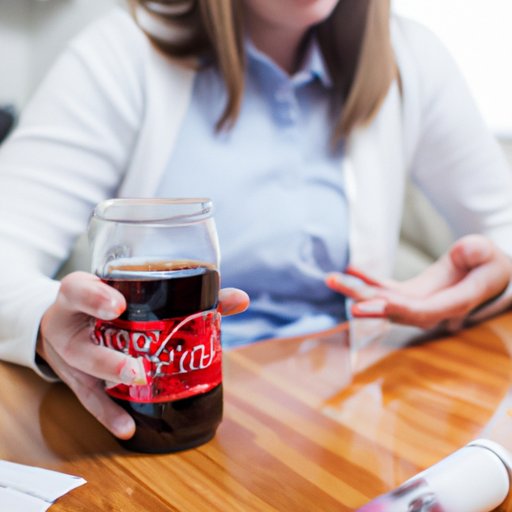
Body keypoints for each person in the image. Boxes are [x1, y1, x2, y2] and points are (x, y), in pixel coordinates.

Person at [0, 0, 511, 440]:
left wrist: (488, 273)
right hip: (169, 422)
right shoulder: (119, 54)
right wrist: (45, 324)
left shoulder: (410, 56)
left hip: (356, 419)